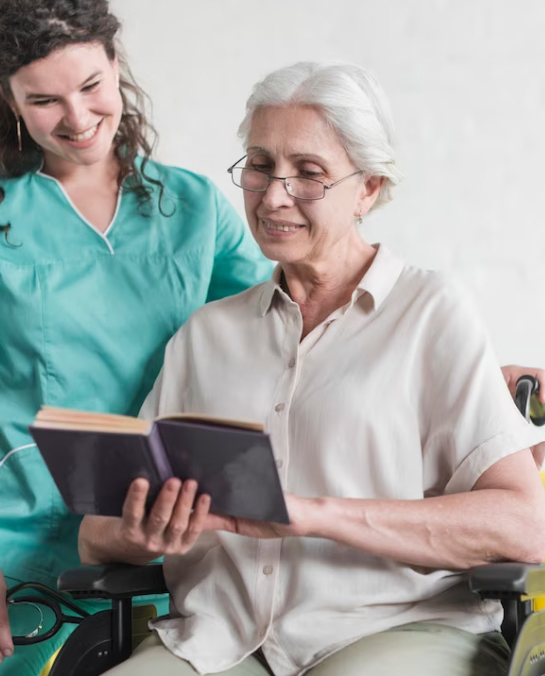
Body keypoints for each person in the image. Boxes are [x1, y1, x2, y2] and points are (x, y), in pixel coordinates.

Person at [79, 62, 545, 676]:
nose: (274, 195)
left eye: (309, 174)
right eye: (260, 165)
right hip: (219, 641)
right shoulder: (207, 334)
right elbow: (94, 534)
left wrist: (309, 514)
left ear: (369, 189)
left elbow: (523, 527)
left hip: (393, 628)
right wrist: (147, 531)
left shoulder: (431, 311)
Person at [0, 0, 273, 672]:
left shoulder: (192, 206)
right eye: (43, 100)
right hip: (9, 532)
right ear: (8, 101)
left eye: (91, 85)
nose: (76, 117)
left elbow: (292, 332)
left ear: (115, 63)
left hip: (154, 532)